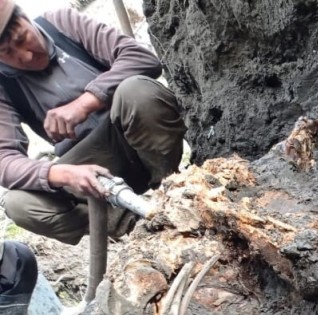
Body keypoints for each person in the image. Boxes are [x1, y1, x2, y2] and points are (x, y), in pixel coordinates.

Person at [0, 2, 185, 245]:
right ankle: (141, 226)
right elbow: (4, 160)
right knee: (19, 204)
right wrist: (61, 173)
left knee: (137, 91)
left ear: (25, 17)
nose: (25, 55)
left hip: (135, 133)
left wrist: (85, 103)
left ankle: (177, 191)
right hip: (89, 169)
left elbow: (141, 58)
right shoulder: (3, 86)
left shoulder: (62, 23)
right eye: (7, 52)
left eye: (23, 38)